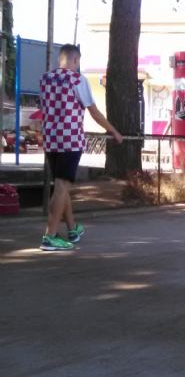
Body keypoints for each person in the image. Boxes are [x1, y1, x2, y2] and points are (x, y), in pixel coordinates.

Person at [39, 44, 123, 251]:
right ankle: (50, 236)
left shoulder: (45, 79)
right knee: (61, 187)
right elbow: (94, 112)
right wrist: (113, 131)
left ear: (60, 58)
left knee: (62, 185)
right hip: (70, 139)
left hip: (50, 138)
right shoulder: (77, 80)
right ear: (75, 60)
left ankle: (72, 229)